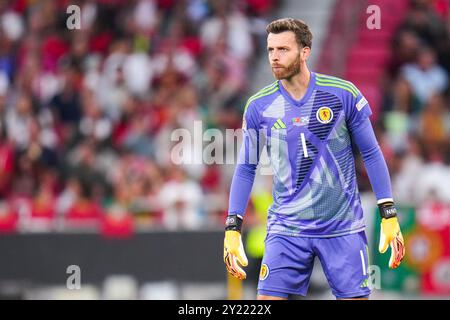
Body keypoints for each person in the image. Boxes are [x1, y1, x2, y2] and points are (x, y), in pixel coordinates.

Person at [223, 18, 405, 300]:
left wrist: (388, 214)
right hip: (287, 230)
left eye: (283, 49)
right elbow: (247, 167)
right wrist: (233, 228)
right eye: (270, 50)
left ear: (305, 52)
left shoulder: (342, 94)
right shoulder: (259, 106)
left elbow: (371, 152)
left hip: (342, 228)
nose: (274, 57)